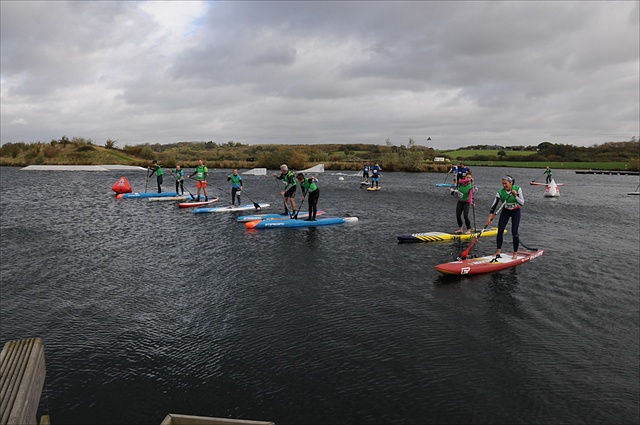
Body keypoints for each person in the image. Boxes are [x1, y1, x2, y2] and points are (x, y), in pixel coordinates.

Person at [486, 175, 524, 260]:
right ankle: (498, 251)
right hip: (506, 211)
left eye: (506, 183)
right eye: (503, 184)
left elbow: (522, 203)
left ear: (511, 183)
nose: (504, 185)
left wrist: (515, 196)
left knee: (514, 232)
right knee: (500, 230)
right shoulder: (500, 192)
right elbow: (494, 205)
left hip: (515, 211)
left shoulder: (517, 189)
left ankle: (515, 252)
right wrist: (490, 216)